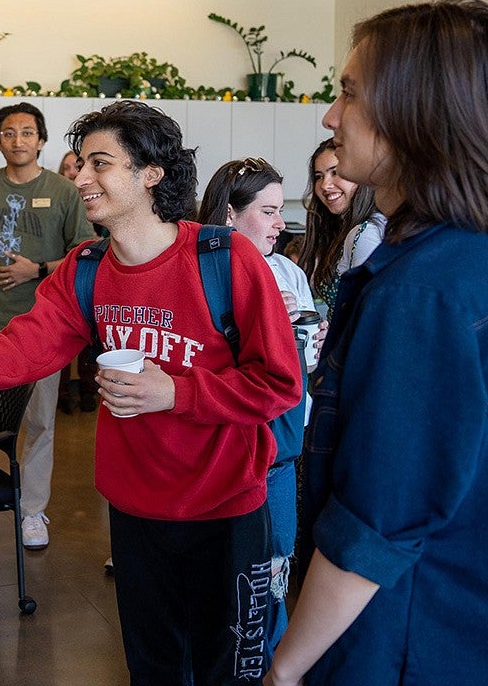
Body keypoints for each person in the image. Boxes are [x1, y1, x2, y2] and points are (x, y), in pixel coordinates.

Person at [0, 100, 302, 685]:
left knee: (227, 672)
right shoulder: (84, 269)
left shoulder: (225, 258)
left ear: (150, 174)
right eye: (81, 164)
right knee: (154, 669)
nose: (81, 177)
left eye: (99, 163)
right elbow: (13, 354)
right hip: (136, 513)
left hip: (228, 510)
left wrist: (178, 394)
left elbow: (280, 385)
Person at [265, 0, 488, 686]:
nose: (331, 118)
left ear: (418, 115)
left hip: (413, 639)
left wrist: (287, 667)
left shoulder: (422, 294)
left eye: (350, 95)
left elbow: (376, 524)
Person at [197, 157, 323, 658]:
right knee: (220, 575)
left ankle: (268, 664)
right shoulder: (203, 269)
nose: (280, 223)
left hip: (281, 447)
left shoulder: (288, 272)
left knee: (273, 573)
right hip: (223, 449)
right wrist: (262, 323)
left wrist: (299, 332)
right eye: (269, 211)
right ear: (230, 213)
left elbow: (306, 362)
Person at [0, 102, 94, 549]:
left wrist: (35, 269)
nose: (18, 140)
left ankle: (33, 512)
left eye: (27, 132)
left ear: (41, 139)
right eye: (9, 132)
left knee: (38, 421)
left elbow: (86, 254)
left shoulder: (65, 191)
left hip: (45, 324)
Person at [295, 140, 376, 319]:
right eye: (319, 177)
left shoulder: (365, 234)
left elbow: (369, 315)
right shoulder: (339, 231)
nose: (325, 185)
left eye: (336, 173)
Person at [55, 148, 99, 414]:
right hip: (65, 276)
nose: (78, 175)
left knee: (90, 342)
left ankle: (86, 390)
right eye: (73, 167)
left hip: (88, 279)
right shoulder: (65, 196)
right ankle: (63, 395)